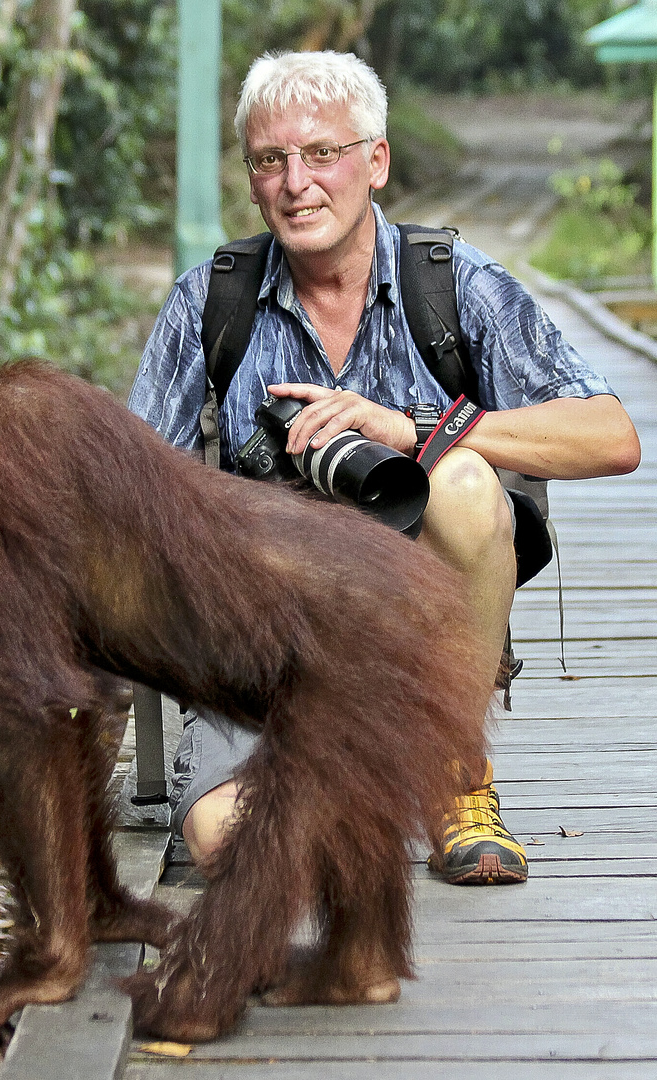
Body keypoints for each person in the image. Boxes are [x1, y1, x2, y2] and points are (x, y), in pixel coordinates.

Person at [128, 50, 640, 885]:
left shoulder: (450, 283)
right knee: (227, 839)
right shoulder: (211, 302)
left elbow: (611, 435)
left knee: (466, 482)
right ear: (252, 179)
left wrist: (414, 431)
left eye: (322, 153)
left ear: (377, 162)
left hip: (421, 635)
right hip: (268, 640)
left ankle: (454, 778)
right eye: (270, 160)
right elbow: (131, 486)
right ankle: (339, 781)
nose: (297, 182)